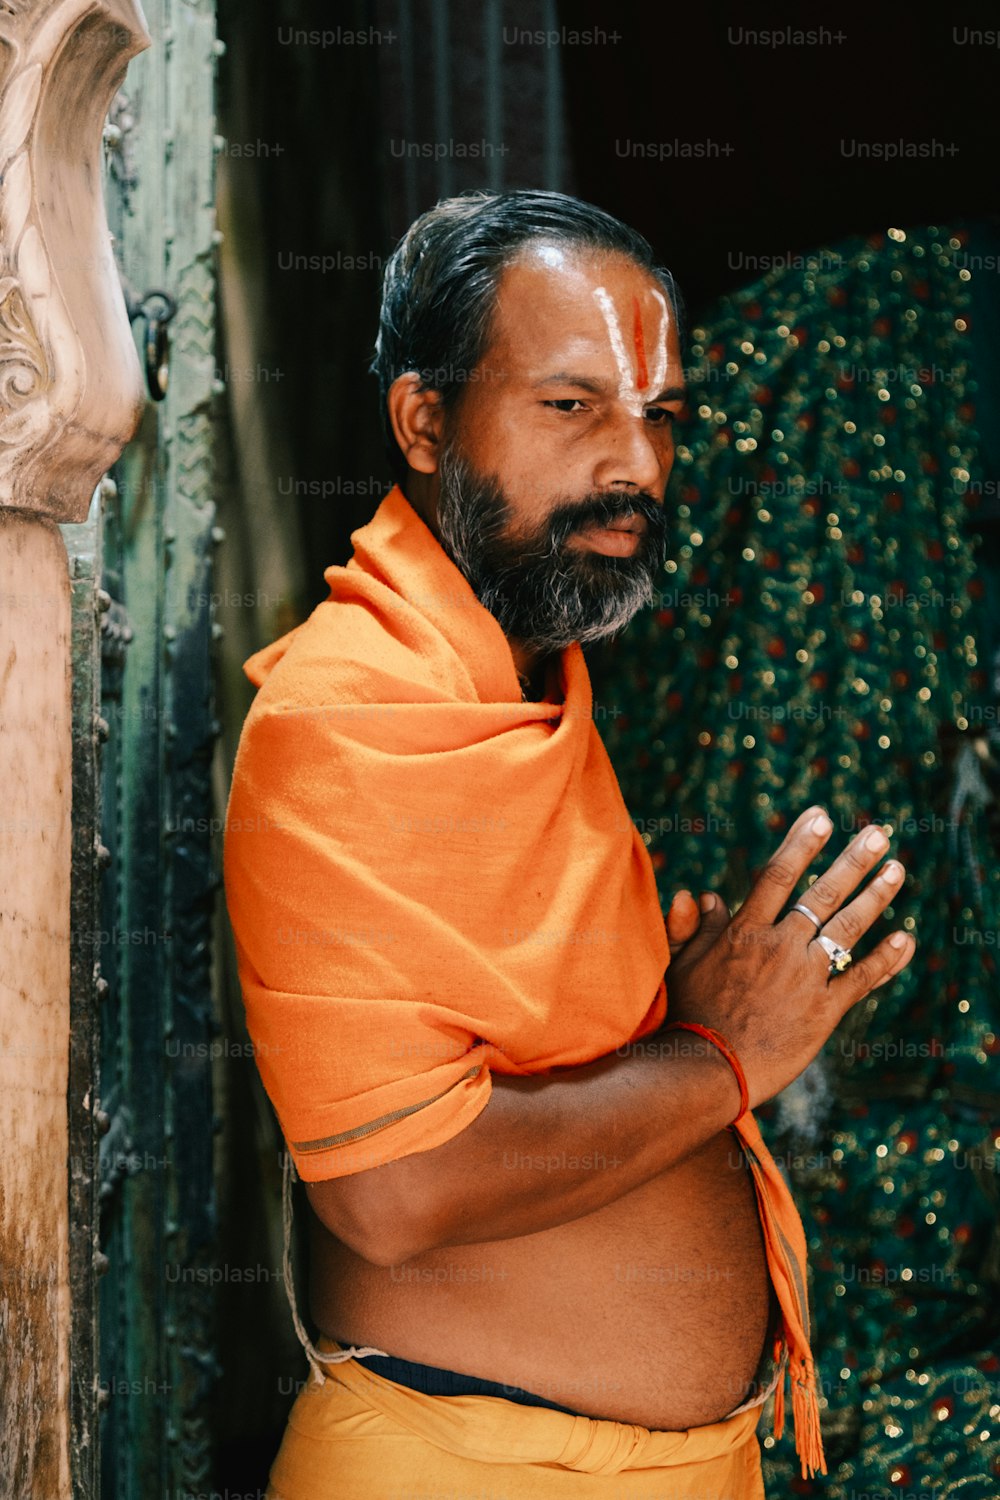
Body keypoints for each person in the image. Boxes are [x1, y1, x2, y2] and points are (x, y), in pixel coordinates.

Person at [223, 190, 916, 1500]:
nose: (638, 467)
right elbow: (390, 1194)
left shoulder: (523, 669)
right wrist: (721, 1055)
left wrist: (661, 1006)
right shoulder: (348, 717)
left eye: (661, 418)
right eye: (571, 406)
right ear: (426, 420)